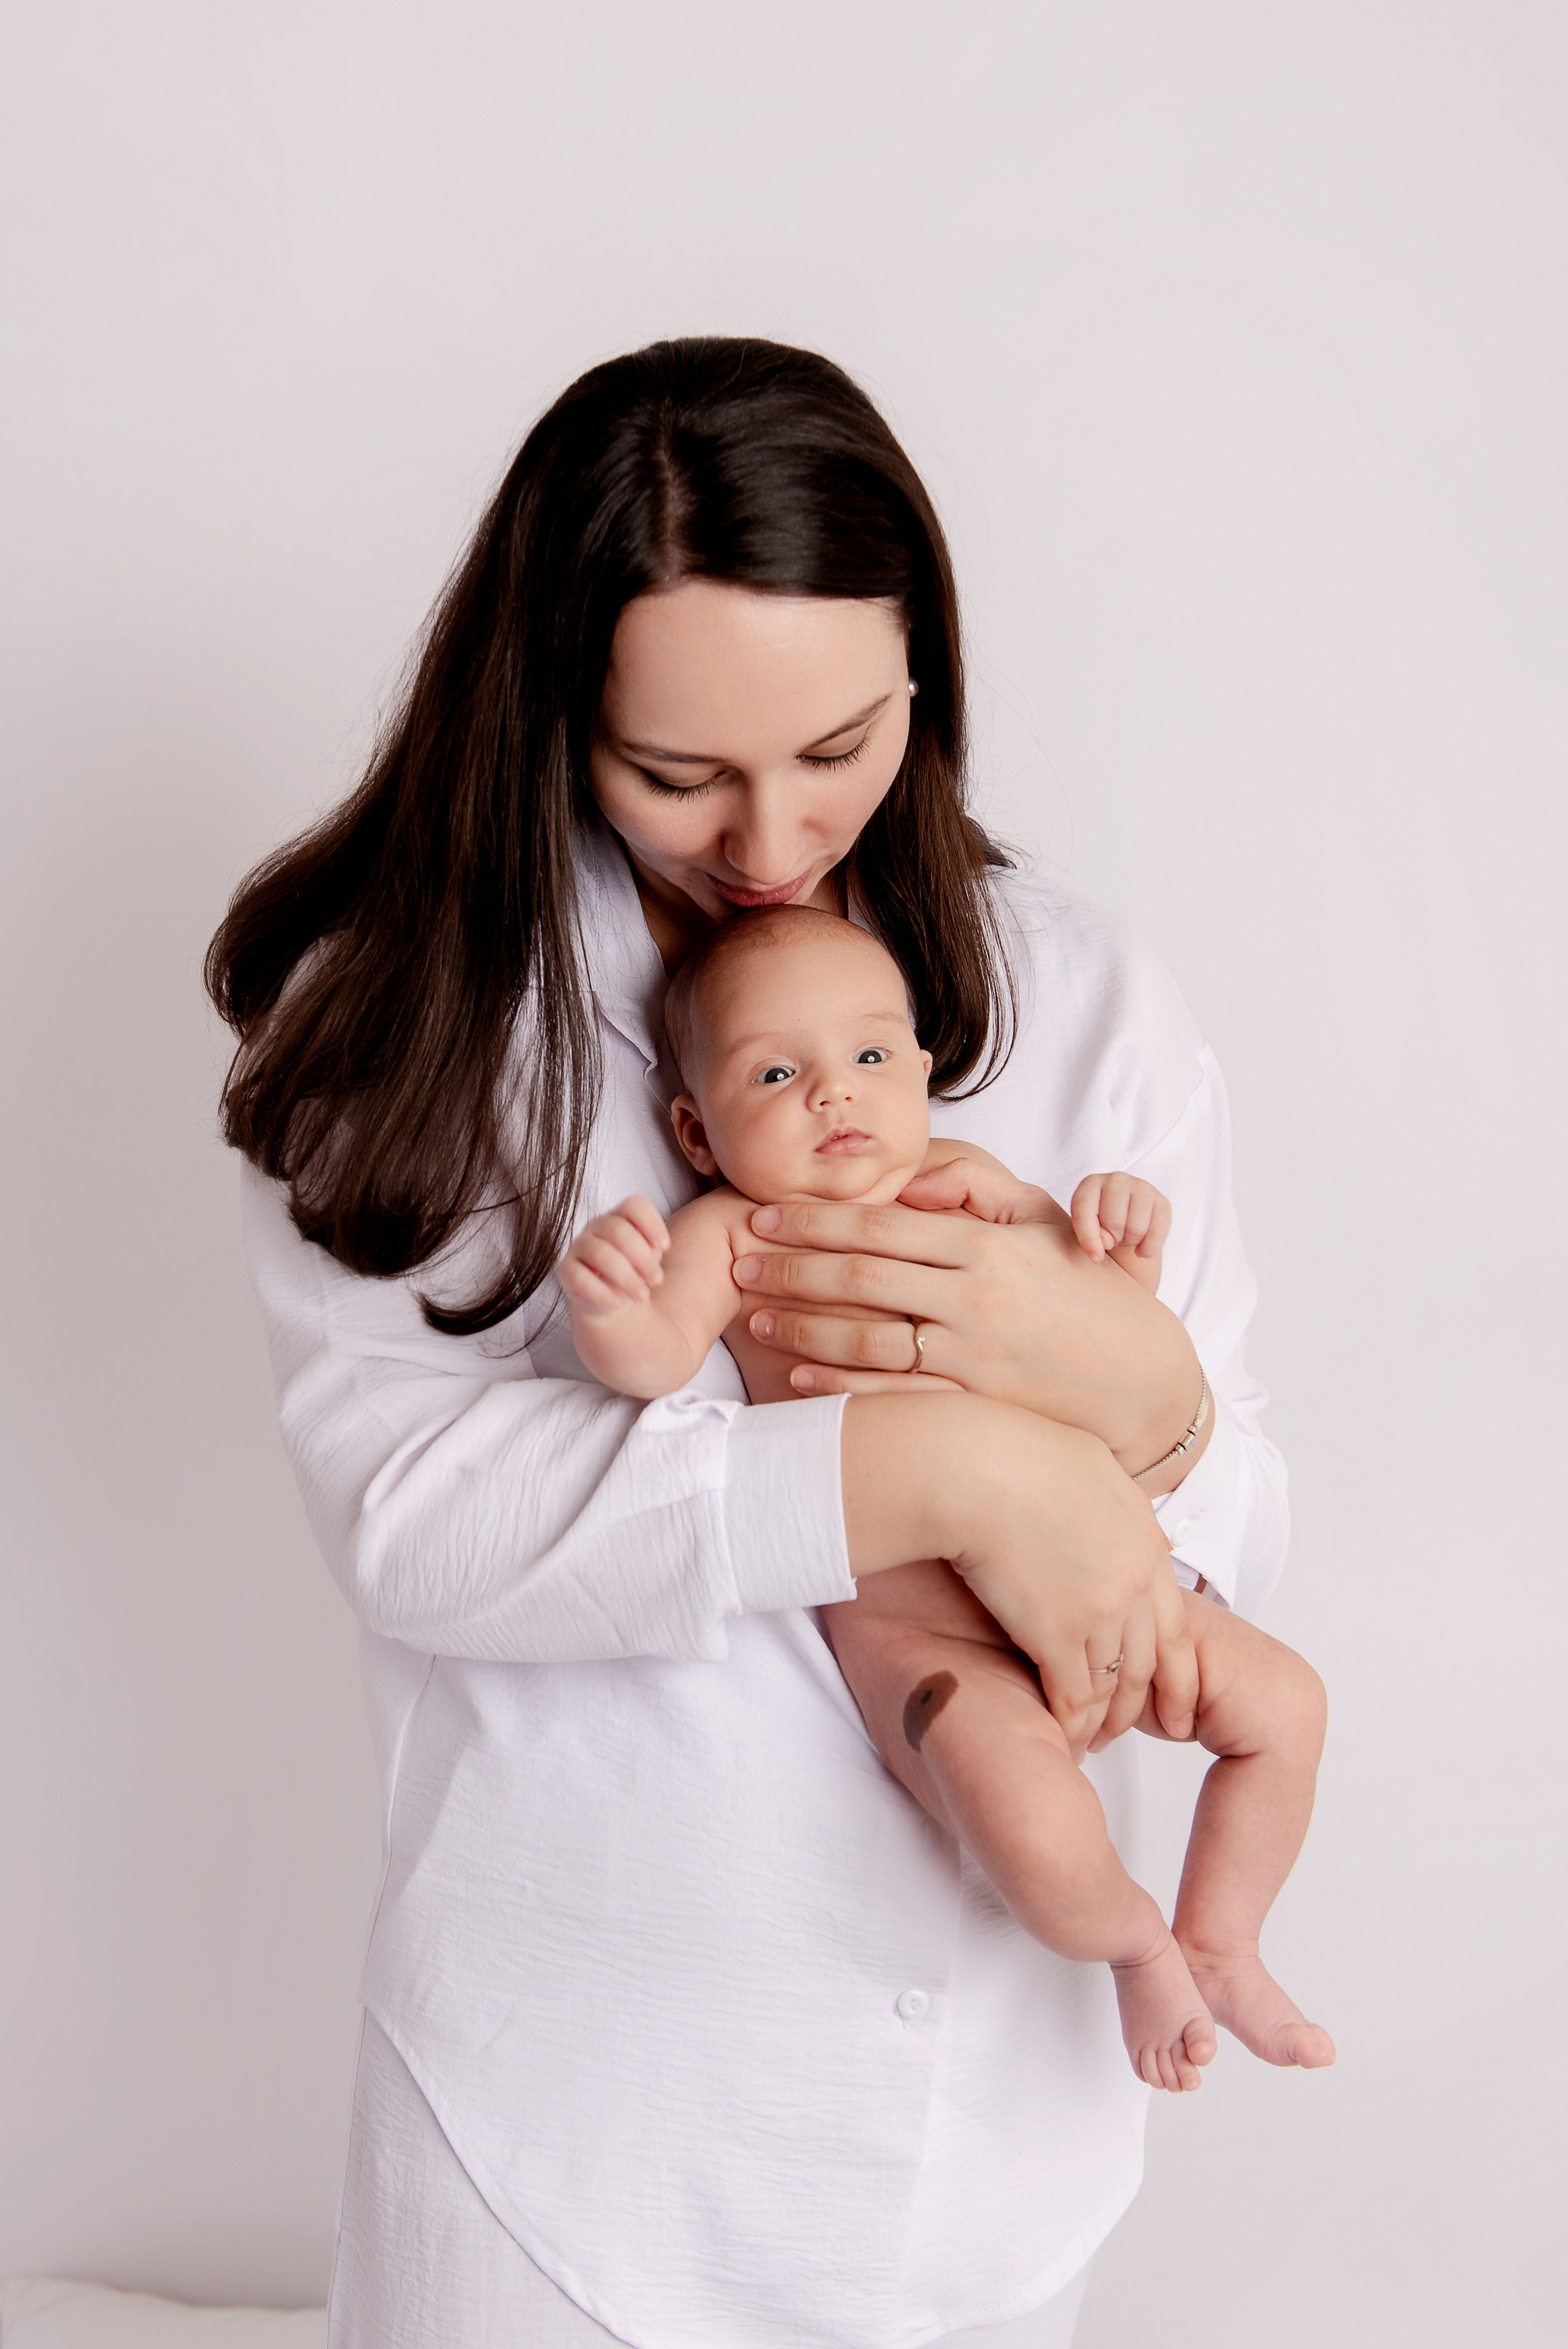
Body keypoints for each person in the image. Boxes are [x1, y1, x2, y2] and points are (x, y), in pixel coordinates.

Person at [207, 337, 1291, 2349]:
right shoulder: (411, 1028)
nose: (773, 834)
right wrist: (927, 1469)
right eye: (677, 772)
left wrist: (1151, 1406)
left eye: (840, 745)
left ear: (925, 683)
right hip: (571, 2138)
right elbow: (416, 1519)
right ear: (551, 706)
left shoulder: (1083, 994)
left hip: (997, 2127)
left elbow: (1232, 1507)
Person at [561, 904, 1333, 2098]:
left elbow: (1093, 1325)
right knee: (1024, 1824)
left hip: (1102, 1578)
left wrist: (1114, 1247)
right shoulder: (729, 1233)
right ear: (694, 1129)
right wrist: (615, 1311)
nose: (836, 1094)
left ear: (922, 1069)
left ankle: (1222, 1936)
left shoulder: (965, 1184)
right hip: (919, 1631)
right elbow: (659, 1359)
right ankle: (1132, 1939)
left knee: (1285, 1703)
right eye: (776, 1072)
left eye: (871, 1057)